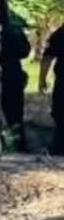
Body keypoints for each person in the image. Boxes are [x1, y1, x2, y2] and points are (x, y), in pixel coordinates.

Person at [0, 13, 31, 151]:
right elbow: (24, 50)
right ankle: (17, 146)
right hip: (12, 73)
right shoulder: (13, 25)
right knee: (14, 114)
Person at [39, 23, 64, 155]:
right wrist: (42, 79)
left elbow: (47, 57)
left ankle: (60, 149)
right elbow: (47, 57)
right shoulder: (60, 33)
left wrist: (42, 79)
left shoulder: (60, 33)